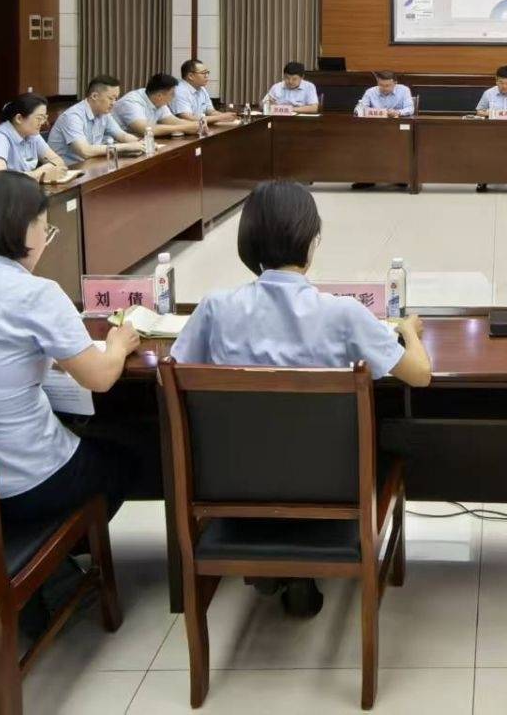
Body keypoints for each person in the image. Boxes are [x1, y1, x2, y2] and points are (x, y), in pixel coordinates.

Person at [171, 179, 432, 616]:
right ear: (310, 242)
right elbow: (420, 375)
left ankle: (274, 564)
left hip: (238, 487)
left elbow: (172, 377)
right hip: (332, 490)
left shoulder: (215, 310)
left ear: (248, 241)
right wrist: (409, 331)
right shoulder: (344, 314)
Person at [0, 172, 143, 629]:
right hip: (26, 485)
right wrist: (118, 345)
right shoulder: (35, 293)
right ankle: (49, 563)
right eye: (44, 227)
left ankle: (28, 553)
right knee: (132, 454)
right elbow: (99, 378)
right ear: (22, 230)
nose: (45, 240)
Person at [48, 75, 146, 166]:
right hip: (67, 170)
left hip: (89, 165)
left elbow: (122, 135)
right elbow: (85, 151)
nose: (114, 103)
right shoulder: (73, 117)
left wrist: (141, 144)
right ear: (94, 96)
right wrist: (126, 147)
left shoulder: (104, 114)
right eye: (111, 98)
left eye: (116, 99)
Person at [0, 94, 69, 183]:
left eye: (44, 118)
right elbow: (0, 178)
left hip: (19, 190)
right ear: (19, 118)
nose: (43, 122)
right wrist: (39, 173)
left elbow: (58, 162)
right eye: (39, 118)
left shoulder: (32, 134)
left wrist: (48, 169)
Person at [115, 74, 198, 138]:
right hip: (118, 145)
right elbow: (146, 130)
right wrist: (183, 128)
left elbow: (173, 121)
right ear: (159, 96)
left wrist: (197, 125)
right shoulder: (131, 102)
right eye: (172, 94)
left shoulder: (158, 101)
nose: (174, 97)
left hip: (139, 143)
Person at [173, 59, 237, 126]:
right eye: (203, 73)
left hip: (200, 127)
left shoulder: (202, 89)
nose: (207, 76)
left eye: (207, 72)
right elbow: (188, 118)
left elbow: (210, 111)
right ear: (190, 76)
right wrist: (220, 117)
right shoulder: (179, 91)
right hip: (183, 129)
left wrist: (227, 116)